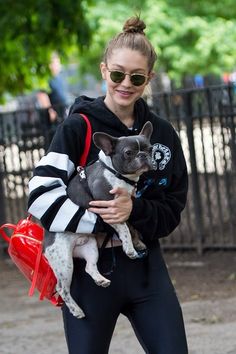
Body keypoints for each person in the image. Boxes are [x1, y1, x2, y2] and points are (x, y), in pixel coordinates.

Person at [28, 16, 188, 354]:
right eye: (117, 74)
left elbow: (172, 209)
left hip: (146, 269)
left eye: (137, 76)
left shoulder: (161, 134)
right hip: (90, 274)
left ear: (149, 78)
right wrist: (104, 220)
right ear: (104, 71)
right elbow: (41, 197)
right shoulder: (77, 127)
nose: (125, 83)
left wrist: (135, 209)